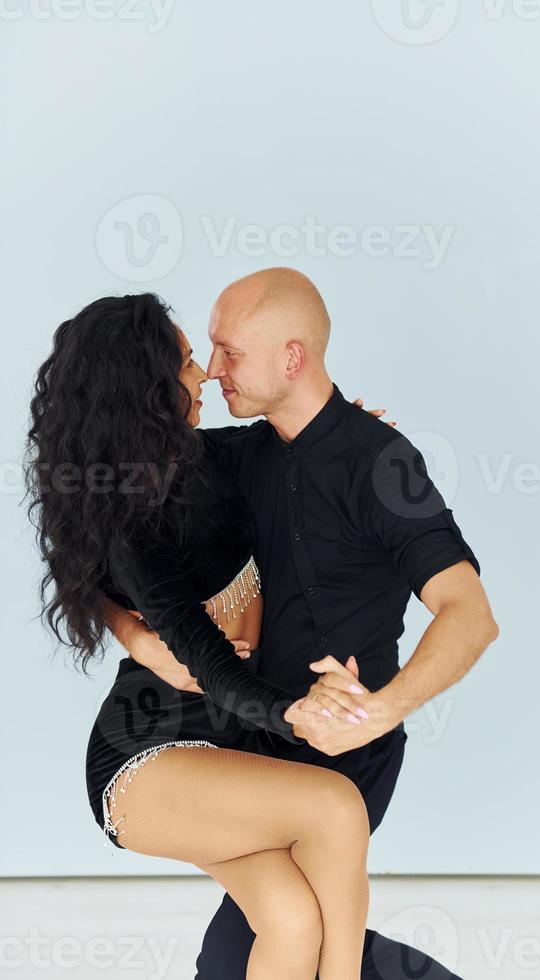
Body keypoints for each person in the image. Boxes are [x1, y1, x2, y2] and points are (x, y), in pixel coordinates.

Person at [109, 267, 500, 980]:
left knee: (261, 951)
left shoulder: (382, 461)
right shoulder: (233, 458)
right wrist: (130, 631)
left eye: (231, 352)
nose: (213, 370)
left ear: (292, 357)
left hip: (350, 753)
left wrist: (380, 712)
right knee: (265, 943)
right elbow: (102, 531)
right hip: (254, 743)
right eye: (210, 351)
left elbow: (469, 613)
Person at [24, 292, 382, 980]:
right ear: (152, 390)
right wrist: (291, 714)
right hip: (144, 762)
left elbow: (292, 437)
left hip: (217, 746)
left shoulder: (210, 459)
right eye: (189, 361)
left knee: (290, 919)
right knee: (335, 807)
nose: (208, 373)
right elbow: (209, 663)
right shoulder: (133, 521)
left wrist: (350, 434)